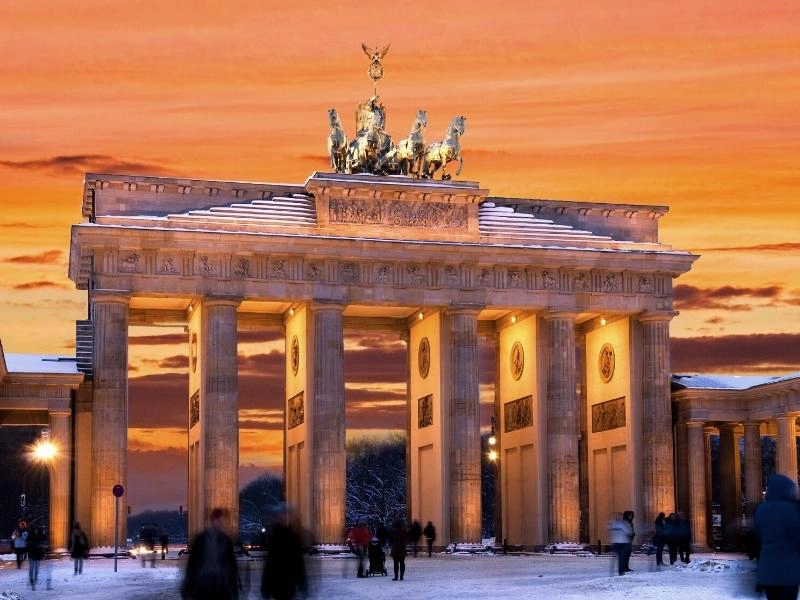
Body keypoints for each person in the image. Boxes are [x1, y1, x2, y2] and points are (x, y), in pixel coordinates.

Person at [754, 474, 800, 600]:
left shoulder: (761, 510)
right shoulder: (793, 509)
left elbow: (758, 537)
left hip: (767, 571)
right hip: (789, 572)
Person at [182, 508, 240, 600]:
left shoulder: (226, 540)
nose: (221, 523)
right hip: (205, 585)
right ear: (213, 520)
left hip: (220, 586)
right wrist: (188, 586)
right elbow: (193, 564)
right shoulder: (201, 539)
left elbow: (232, 565)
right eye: (219, 520)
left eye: (222, 521)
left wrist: (234, 587)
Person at [261, 511, 306, 600]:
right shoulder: (293, 537)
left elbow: (269, 565)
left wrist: (265, 588)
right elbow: (299, 564)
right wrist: (303, 587)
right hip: (288, 582)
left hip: (278, 582)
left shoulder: (275, 537)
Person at [27, 526, 47, 591]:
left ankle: (34, 579)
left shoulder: (40, 536)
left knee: (36, 568)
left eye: (37, 530)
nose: (36, 531)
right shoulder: (30, 536)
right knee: (32, 568)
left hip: (37, 555)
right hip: (32, 554)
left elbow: (45, 540)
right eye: (35, 530)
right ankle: (32, 579)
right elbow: (28, 544)